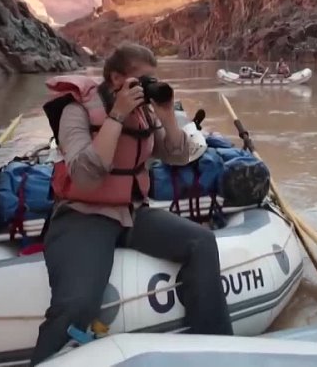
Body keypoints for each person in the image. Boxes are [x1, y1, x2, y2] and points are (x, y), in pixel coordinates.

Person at [31, 43, 233, 365]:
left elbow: (177, 156)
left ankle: (216, 350)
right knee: (78, 302)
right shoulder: (77, 111)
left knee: (202, 241)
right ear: (116, 78)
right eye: (143, 80)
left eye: (153, 80)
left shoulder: (145, 113)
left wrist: (167, 115)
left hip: (131, 212)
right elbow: (85, 174)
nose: (148, 87)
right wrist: (116, 115)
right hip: (84, 215)